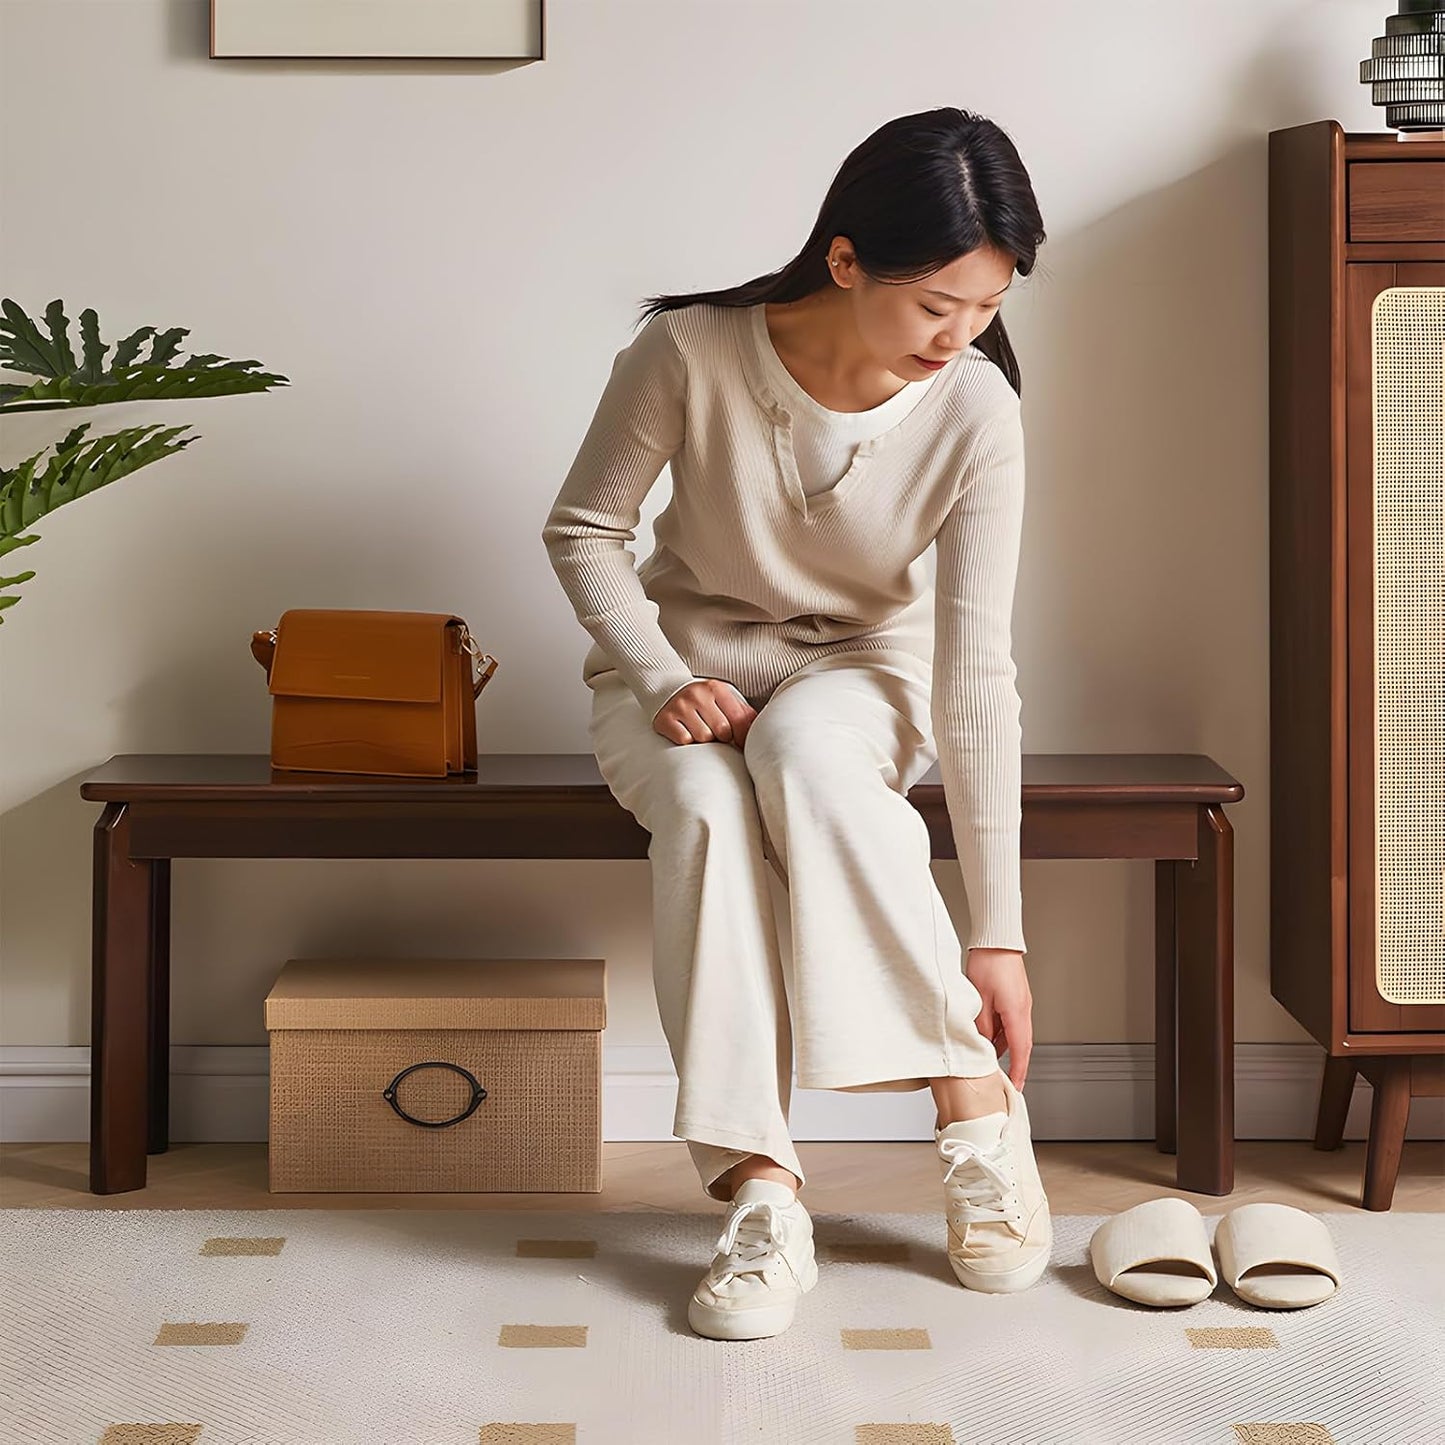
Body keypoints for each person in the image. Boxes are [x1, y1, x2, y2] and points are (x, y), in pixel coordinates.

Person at [541, 106, 1051, 1342]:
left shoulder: (975, 409)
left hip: (861, 670)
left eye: (985, 305)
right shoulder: (689, 350)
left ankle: (970, 1100)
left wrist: (996, 935)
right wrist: (661, 674)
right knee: (712, 808)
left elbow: (975, 670)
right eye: (937, 301)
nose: (961, 334)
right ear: (843, 259)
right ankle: (760, 1193)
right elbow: (584, 531)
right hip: (677, 670)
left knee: (806, 754)